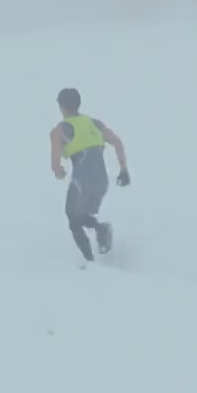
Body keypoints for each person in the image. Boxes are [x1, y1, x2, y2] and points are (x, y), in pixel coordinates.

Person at [49, 87, 130, 262]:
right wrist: (124, 171)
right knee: (81, 216)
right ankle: (101, 230)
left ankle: (90, 260)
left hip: (82, 181)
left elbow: (55, 165)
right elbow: (117, 143)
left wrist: (60, 172)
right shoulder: (95, 124)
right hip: (101, 181)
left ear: (61, 107)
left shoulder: (59, 131)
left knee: (73, 218)